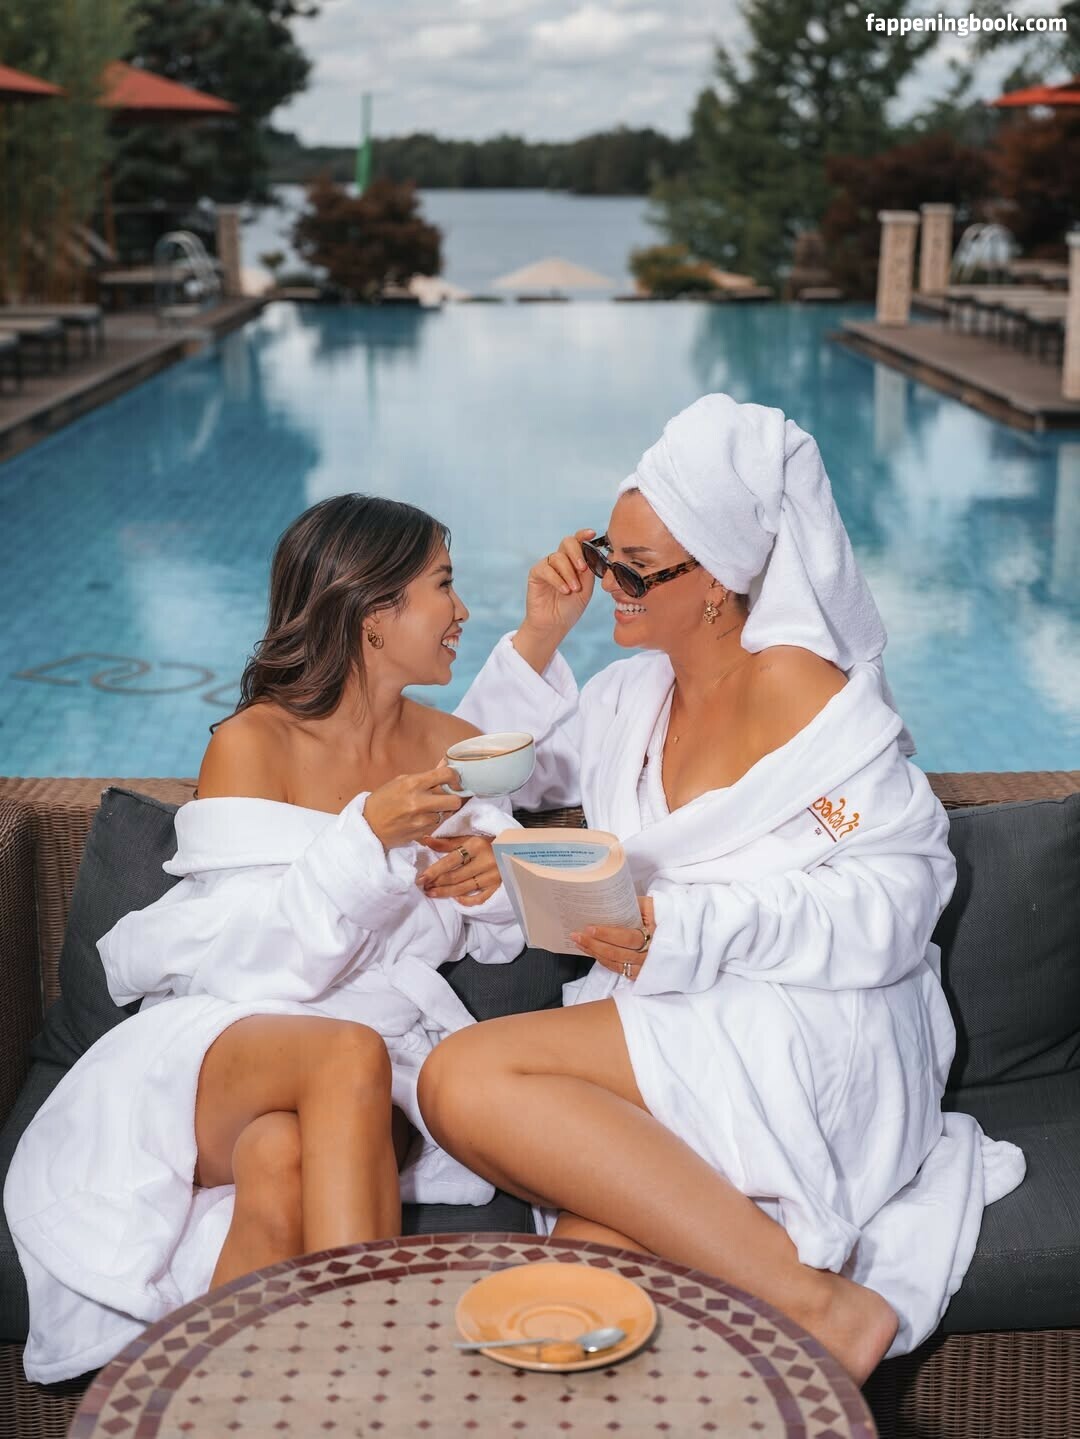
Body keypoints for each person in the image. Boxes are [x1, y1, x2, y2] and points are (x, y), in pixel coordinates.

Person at [419, 393, 1025, 1384]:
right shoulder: (625, 699)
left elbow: (902, 889)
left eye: (633, 568)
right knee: (576, 1289)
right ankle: (772, 1330)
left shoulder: (798, 687)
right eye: (601, 553)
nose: (609, 582)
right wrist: (538, 636)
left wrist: (693, 925)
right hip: (673, 1016)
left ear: (715, 580)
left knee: (460, 1078)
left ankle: (821, 1304)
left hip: (806, 1023)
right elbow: (477, 775)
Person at [4, 494, 526, 1384]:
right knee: (343, 1053)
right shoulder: (254, 743)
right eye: (444, 585)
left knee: (280, 1157)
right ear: (374, 614)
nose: (464, 609)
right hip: (231, 1040)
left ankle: (222, 1405)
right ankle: (376, 1388)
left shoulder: (456, 747)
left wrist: (493, 881)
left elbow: (497, 934)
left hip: (378, 1058)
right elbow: (251, 960)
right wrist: (366, 840)